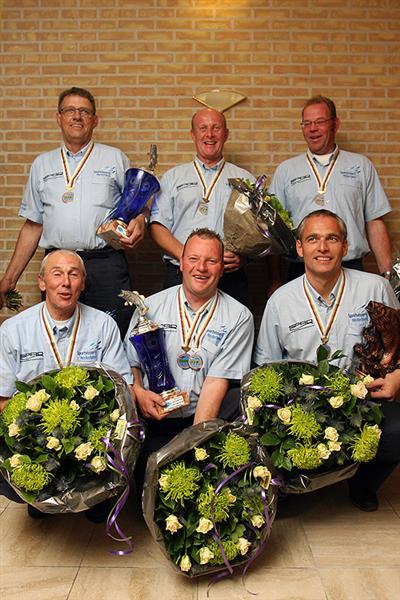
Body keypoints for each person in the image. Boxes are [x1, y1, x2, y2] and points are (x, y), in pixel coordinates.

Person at [254, 209, 400, 512]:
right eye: (313, 239)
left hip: (364, 401)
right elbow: (265, 368)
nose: (322, 248)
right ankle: (294, 486)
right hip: (303, 406)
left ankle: (362, 484)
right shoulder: (280, 301)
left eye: (332, 239)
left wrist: (398, 377)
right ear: (299, 248)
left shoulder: (375, 287)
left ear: (345, 247)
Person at [0, 86, 148, 337]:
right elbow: (33, 225)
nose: (77, 116)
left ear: (95, 120)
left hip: (105, 264)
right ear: (59, 118)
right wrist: (9, 279)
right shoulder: (42, 164)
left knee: (114, 332)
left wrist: (141, 220)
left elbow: (137, 206)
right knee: (60, 334)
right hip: (58, 265)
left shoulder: (115, 159)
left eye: (84, 111)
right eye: (70, 110)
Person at [0, 250, 133, 520]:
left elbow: (123, 390)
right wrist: (29, 440)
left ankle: (97, 496)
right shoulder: (13, 330)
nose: (65, 282)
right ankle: (39, 494)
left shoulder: (103, 325)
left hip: (90, 433)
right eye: (57, 274)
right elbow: (2, 400)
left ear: (83, 283)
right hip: (37, 434)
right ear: (42, 282)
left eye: (74, 274)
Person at [124, 228, 254, 487]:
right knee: (148, 489)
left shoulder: (239, 317)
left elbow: (216, 384)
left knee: (196, 484)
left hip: (204, 417)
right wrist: (139, 393)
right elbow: (131, 365)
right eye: (193, 259)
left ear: (222, 268)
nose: (201, 268)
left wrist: (193, 451)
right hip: (153, 416)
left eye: (211, 261)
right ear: (181, 263)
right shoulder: (149, 307)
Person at [269, 95, 393, 282]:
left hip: (351, 268)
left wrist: (388, 275)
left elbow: (374, 222)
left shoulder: (361, 166)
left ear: (335, 124)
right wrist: (275, 280)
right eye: (307, 123)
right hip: (300, 270)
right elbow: (273, 229)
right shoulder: (286, 170)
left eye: (320, 122)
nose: (312, 129)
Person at [149, 107, 254, 307]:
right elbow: (157, 225)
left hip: (230, 277)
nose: (210, 134)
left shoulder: (245, 180)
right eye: (203, 128)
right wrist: (187, 257)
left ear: (226, 134)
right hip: (181, 274)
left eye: (216, 128)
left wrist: (245, 258)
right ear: (193, 134)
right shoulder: (172, 178)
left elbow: (258, 233)